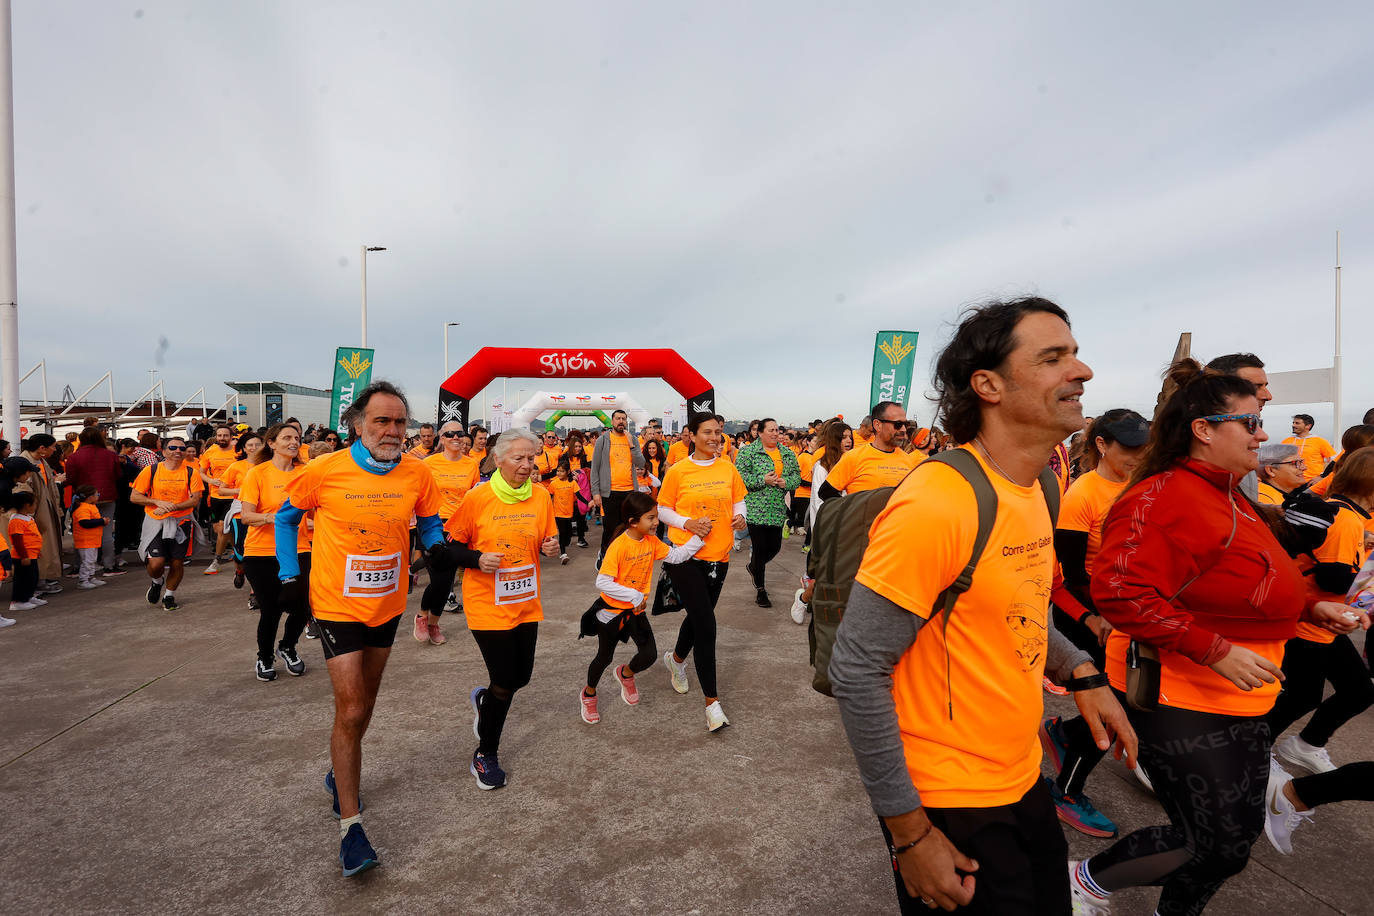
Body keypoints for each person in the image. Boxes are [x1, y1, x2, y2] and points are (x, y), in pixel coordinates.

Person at [829, 297, 1134, 915]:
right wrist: (909, 833)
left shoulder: (1038, 485)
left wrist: (1080, 671)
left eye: (1074, 353)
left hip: (1021, 775)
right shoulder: (939, 502)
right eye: (1053, 358)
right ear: (988, 385)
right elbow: (856, 669)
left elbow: (1020, 604)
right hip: (951, 799)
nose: (1083, 372)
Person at [1071, 360, 1354, 915]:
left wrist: (1313, 608)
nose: (1265, 434)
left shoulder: (1230, 494)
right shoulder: (1161, 496)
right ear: (1203, 428)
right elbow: (1119, 592)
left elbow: (1254, 579)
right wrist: (1214, 650)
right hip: (1182, 695)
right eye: (1250, 423)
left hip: (1243, 698)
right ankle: (1086, 882)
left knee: (1233, 841)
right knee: (1214, 842)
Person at [274, 380, 445, 876]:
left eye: (399, 422)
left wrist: (436, 549)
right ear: (357, 424)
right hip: (335, 603)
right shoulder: (325, 470)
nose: (393, 431)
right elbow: (287, 520)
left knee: (363, 707)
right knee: (350, 707)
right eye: (382, 421)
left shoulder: (417, 471)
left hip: (387, 602)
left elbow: (429, 522)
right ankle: (351, 826)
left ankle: (340, 768)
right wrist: (289, 573)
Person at [1039, 409, 1149, 839]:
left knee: (1120, 704)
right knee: (1112, 704)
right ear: (1102, 445)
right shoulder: (1082, 496)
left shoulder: (1142, 486)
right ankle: (1065, 790)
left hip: (1127, 611)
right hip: (1090, 614)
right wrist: (1095, 618)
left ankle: (1063, 732)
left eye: (1146, 447)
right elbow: (1068, 577)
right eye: (1131, 448)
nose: (1140, 456)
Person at [443, 427, 559, 790]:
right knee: (505, 680)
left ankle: (485, 702)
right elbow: (448, 547)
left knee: (520, 677)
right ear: (498, 459)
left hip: (525, 601)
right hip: (486, 603)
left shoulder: (540, 496)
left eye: (531, 458)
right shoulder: (477, 498)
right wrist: (477, 558)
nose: (527, 465)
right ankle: (485, 754)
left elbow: (546, 537)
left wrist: (550, 547)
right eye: (519, 458)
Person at [1265, 447, 1374, 774]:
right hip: (1308, 623)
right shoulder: (1346, 519)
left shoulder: (1348, 515)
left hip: (1322, 623)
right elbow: (1334, 580)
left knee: (1359, 690)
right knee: (1301, 695)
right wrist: (1365, 585)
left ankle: (1306, 743)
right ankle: (1250, 748)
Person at [656, 412, 748, 732]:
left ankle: (676, 660)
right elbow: (662, 509)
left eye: (718, 432)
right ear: (691, 435)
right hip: (685, 555)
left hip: (718, 557)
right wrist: (688, 523)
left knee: (697, 618)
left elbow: (738, 501)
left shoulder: (728, 467)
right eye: (707, 432)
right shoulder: (678, 470)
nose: (715, 437)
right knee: (707, 626)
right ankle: (712, 704)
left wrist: (740, 519)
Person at [580, 490, 703, 725]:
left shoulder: (650, 541)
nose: (657, 522)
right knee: (603, 657)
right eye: (651, 518)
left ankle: (626, 674)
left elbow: (676, 556)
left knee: (649, 655)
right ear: (633, 522)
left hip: (636, 612)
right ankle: (589, 694)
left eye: (656, 516)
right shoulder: (619, 546)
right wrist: (635, 595)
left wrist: (698, 537)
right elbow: (602, 582)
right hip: (612, 613)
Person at [240, 423, 313, 682]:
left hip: (299, 549)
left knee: (302, 605)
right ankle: (265, 656)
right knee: (270, 609)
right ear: (271, 443)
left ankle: (288, 647)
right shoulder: (257, 474)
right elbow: (246, 516)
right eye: (287, 438)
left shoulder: (306, 473)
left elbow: (315, 511)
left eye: (297, 438)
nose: (294, 442)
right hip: (261, 552)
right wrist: (276, 518)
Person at [416, 422, 480, 645]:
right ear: (441, 438)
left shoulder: (472, 465)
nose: (455, 437)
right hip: (433, 525)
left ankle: (433, 622)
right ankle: (423, 617)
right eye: (449, 434)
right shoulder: (429, 463)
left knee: (447, 581)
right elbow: (420, 494)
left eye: (459, 433)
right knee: (439, 578)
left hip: (458, 528)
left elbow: (473, 498)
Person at [130, 437, 204, 611]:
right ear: (163, 452)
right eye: (173, 447)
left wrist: (173, 507)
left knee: (177, 562)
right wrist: (157, 502)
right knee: (156, 564)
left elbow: (194, 500)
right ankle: (157, 581)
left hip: (182, 522)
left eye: (182, 448)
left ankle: (169, 595)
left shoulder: (191, 472)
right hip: (155, 521)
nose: (178, 451)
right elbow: (134, 496)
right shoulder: (151, 470)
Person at [735, 418, 801, 608]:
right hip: (755, 508)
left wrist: (785, 483)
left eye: (777, 430)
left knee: (774, 548)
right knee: (760, 548)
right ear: (760, 433)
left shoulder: (787, 453)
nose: (775, 433)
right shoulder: (748, 451)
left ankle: (754, 567)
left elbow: (796, 476)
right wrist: (762, 479)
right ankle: (761, 591)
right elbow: (740, 477)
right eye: (770, 430)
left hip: (777, 509)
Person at [816, 401, 914, 501]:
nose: (903, 429)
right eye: (898, 424)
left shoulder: (909, 460)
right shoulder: (853, 457)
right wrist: (853, 510)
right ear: (877, 425)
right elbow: (825, 492)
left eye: (906, 424)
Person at [63, 427, 127, 577]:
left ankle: (79, 567)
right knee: (106, 533)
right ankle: (109, 566)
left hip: (84, 498)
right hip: (107, 495)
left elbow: (71, 479)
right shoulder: (110, 455)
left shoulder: (74, 457)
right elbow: (118, 475)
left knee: (81, 532)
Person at [590, 409, 645, 564]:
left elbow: (640, 464)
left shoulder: (632, 438)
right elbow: (595, 468)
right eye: (618, 418)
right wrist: (596, 492)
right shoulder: (603, 440)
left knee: (628, 527)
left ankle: (623, 557)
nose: (621, 421)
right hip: (610, 492)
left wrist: (631, 445)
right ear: (612, 421)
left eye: (624, 419)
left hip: (629, 491)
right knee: (610, 528)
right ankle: (605, 556)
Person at [17, 435, 64, 596]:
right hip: (35, 515)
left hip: (45, 511)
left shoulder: (42, 462)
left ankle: (43, 579)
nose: (55, 449)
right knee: (38, 548)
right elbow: (23, 492)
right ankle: (37, 583)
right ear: (41, 448)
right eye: (53, 446)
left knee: (46, 547)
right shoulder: (24, 463)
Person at [199, 424, 240, 574]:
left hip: (233, 495)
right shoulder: (211, 451)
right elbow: (201, 472)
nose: (222, 438)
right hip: (215, 496)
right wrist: (210, 481)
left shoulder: (238, 451)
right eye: (220, 435)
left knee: (223, 528)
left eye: (225, 435)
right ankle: (238, 551)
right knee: (219, 529)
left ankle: (216, 561)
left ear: (231, 437)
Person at [7, 490, 43, 611]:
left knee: (32, 577)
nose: (35, 506)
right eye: (34, 504)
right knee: (22, 578)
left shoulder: (26, 518)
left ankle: (28, 596)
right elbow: (17, 540)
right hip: (23, 556)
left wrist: (37, 551)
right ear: (27, 505)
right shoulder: (17, 520)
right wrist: (24, 556)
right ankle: (18, 600)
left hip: (31, 554)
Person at [70, 484, 108, 589]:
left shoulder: (90, 506)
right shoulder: (83, 508)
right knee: (88, 561)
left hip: (92, 540)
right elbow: (84, 523)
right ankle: (83, 580)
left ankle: (90, 577)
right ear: (90, 497)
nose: (98, 496)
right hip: (85, 540)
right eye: (97, 494)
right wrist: (101, 521)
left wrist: (101, 521)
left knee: (92, 560)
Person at [1282, 413, 1335, 481]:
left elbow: (1335, 460)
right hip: (1289, 481)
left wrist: (1322, 476)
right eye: (1293, 423)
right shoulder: (1286, 441)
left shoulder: (1320, 441)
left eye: (1297, 423)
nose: (1293, 425)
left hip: (1311, 482)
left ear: (1308, 426)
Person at [550, 460, 580, 564]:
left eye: (562, 471)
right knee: (562, 533)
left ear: (567, 472)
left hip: (569, 513)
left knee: (569, 535)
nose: (559, 473)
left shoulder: (572, 482)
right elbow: (549, 497)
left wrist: (588, 502)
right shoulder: (553, 483)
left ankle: (564, 544)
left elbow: (579, 495)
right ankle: (563, 554)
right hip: (558, 513)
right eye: (558, 471)